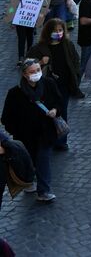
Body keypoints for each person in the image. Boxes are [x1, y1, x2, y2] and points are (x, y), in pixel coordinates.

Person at [1, 58, 63, 202]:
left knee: (43, 160)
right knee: (30, 160)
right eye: (32, 71)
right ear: (24, 74)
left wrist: (55, 110)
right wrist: (17, 130)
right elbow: (6, 117)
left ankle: (44, 191)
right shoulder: (15, 93)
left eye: (38, 70)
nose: (36, 73)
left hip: (45, 133)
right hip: (25, 136)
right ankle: (29, 181)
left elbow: (59, 102)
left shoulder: (49, 84)